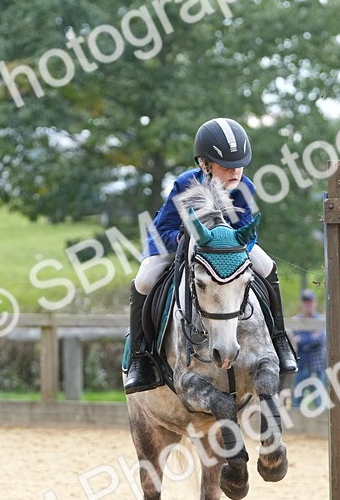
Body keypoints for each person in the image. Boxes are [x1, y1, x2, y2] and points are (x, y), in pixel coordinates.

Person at [123, 117, 296, 393]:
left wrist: (228, 243)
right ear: (205, 164)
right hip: (180, 249)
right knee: (144, 280)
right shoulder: (185, 184)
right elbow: (162, 229)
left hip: (229, 254)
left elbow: (248, 232)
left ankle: (279, 339)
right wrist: (184, 238)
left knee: (268, 267)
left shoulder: (245, 187)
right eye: (227, 166)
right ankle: (140, 358)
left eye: (239, 164)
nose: (235, 171)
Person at [291, 288, 326, 410]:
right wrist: (311, 337)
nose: (308, 304)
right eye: (305, 302)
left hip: (317, 367)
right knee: (296, 402)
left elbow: (321, 339)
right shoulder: (296, 320)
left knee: (320, 402)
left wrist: (302, 339)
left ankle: (322, 428)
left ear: (315, 303)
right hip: (300, 366)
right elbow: (293, 340)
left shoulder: (321, 320)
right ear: (302, 304)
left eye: (310, 301)